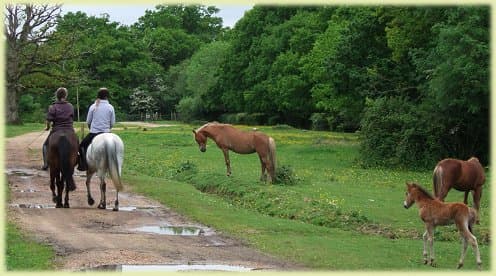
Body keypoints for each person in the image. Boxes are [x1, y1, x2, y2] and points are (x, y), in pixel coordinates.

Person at [77, 87, 116, 171]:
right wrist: (107, 129)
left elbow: (88, 121)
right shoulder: (110, 107)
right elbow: (112, 123)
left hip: (94, 133)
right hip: (106, 133)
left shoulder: (93, 106)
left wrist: (92, 129)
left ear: (98, 95)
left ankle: (83, 165)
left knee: (81, 146)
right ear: (107, 96)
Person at [41, 87, 75, 170]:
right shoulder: (70, 106)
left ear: (57, 95)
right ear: (65, 95)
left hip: (57, 129)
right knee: (77, 144)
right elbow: (72, 118)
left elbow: (49, 120)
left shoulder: (53, 107)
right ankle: (80, 160)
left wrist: (47, 127)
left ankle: (46, 164)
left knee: (45, 145)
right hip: (69, 130)